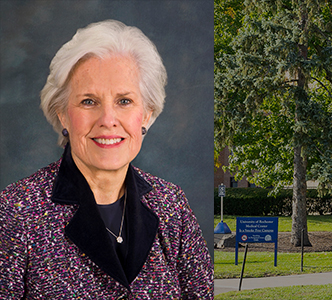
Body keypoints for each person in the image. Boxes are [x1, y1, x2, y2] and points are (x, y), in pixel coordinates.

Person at [0, 20, 212, 298]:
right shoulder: (17, 211)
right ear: (63, 114)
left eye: (124, 101)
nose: (108, 120)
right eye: (89, 101)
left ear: (147, 113)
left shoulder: (172, 206)